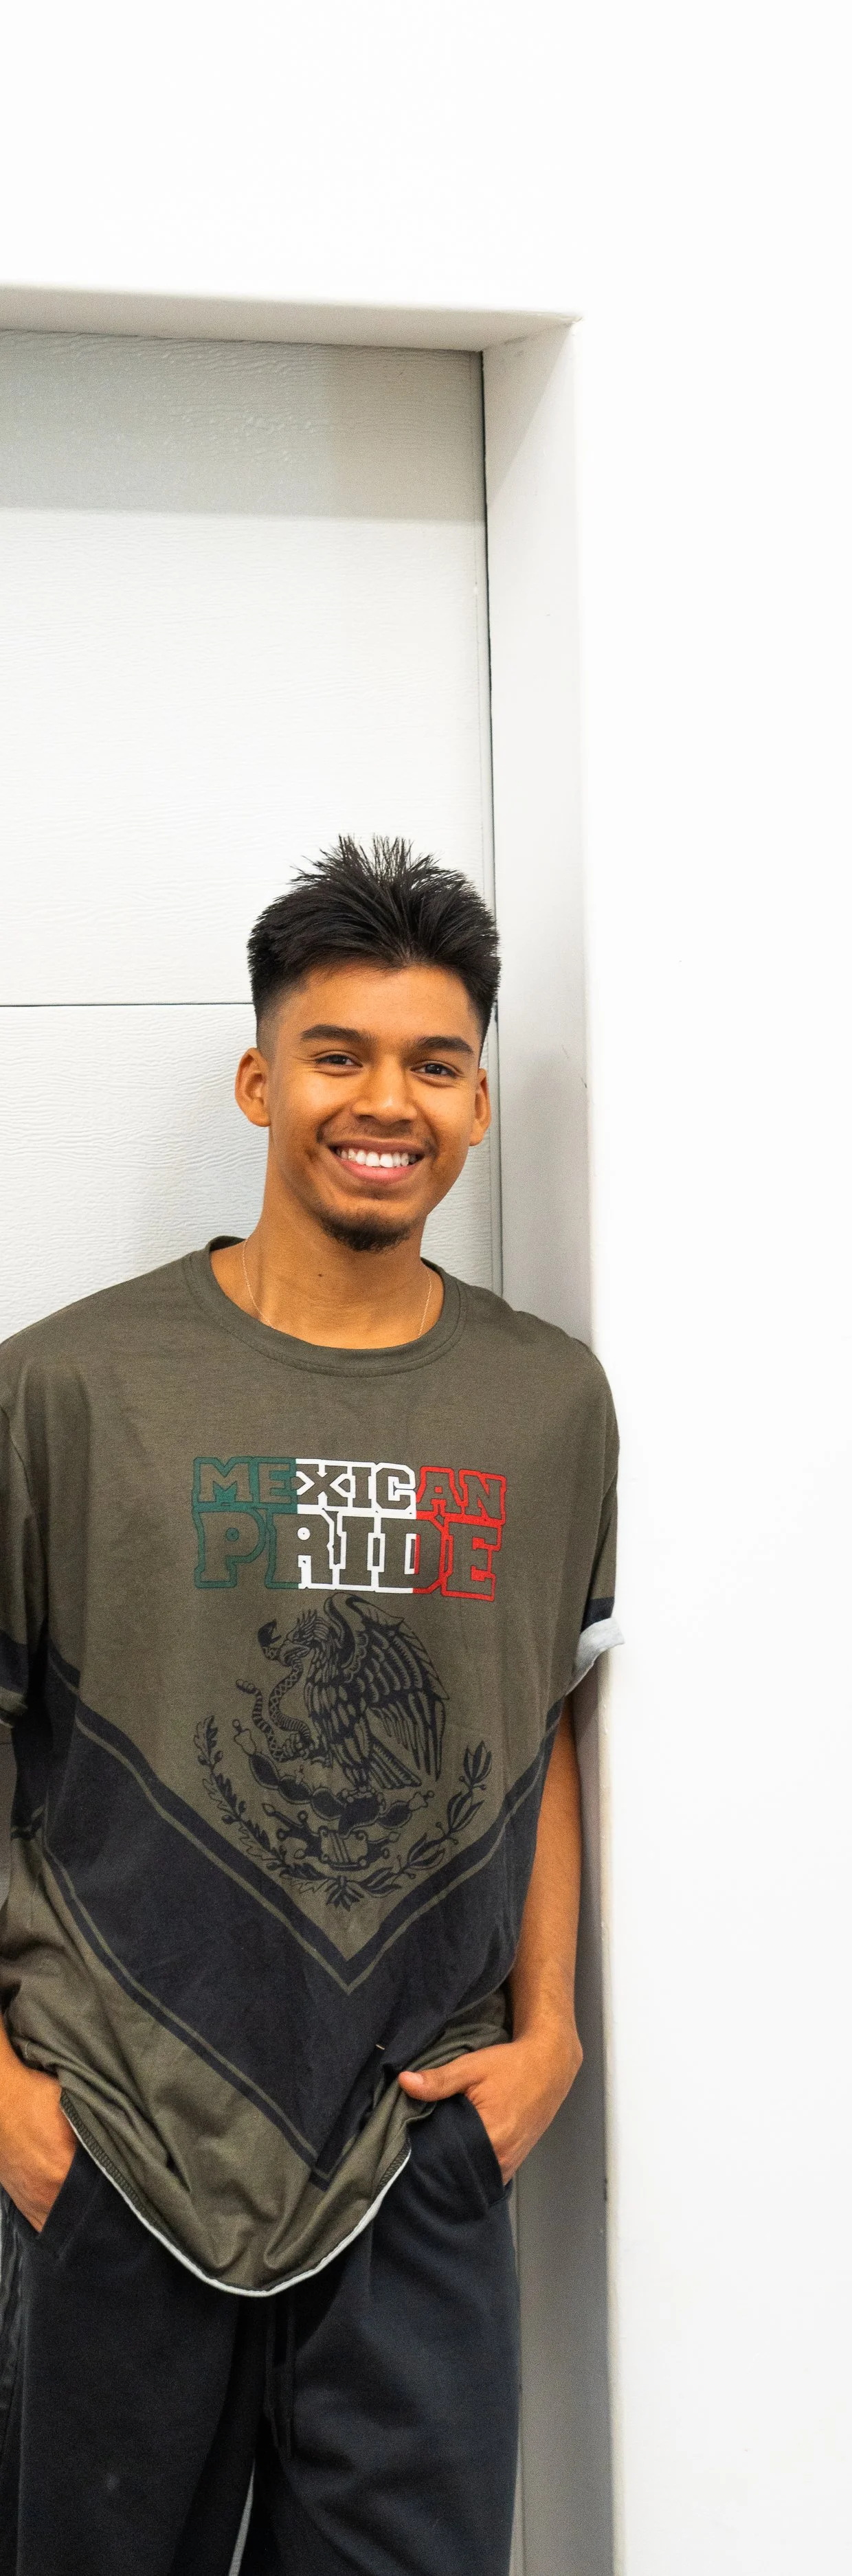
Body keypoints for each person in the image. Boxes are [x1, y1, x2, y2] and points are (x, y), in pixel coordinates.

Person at [0, 837, 618, 2576]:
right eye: (339, 1054)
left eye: (433, 1064)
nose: (385, 1101)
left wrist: (549, 2032)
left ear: (479, 1105)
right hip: (112, 2141)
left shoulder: (544, 1403)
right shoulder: (66, 1388)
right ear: (262, 1078)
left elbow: (546, 1719)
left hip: (418, 2155)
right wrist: (1, 2090)